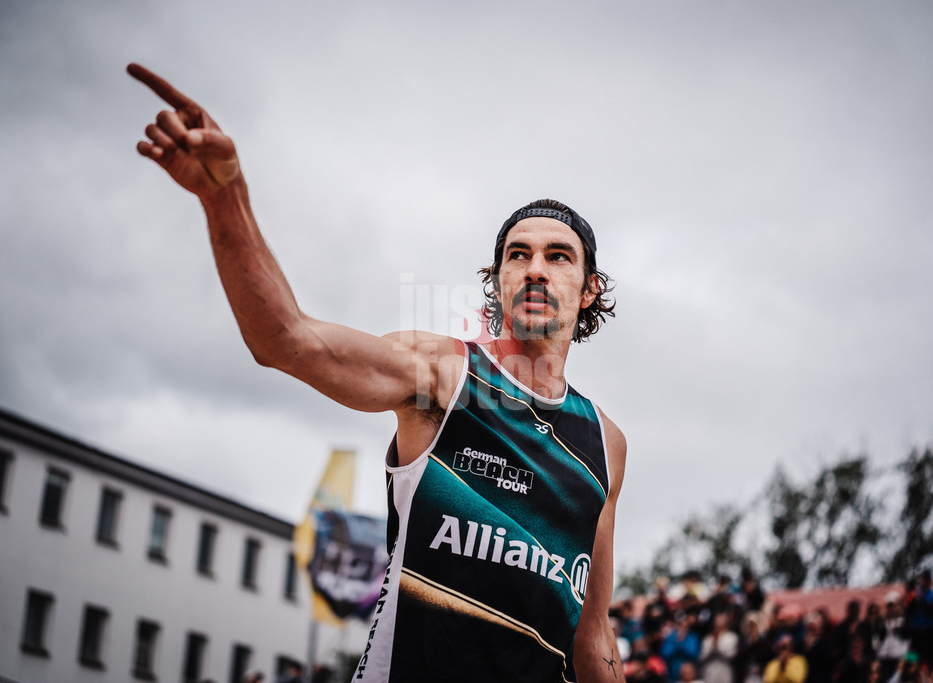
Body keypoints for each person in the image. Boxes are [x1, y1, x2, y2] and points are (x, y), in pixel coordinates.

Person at [128, 64, 626, 683]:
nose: (534, 269)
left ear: (589, 290)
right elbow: (287, 340)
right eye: (517, 255)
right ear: (497, 281)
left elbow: (593, 634)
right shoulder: (444, 374)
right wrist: (223, 197)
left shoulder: (604, 443)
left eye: (558, 256)